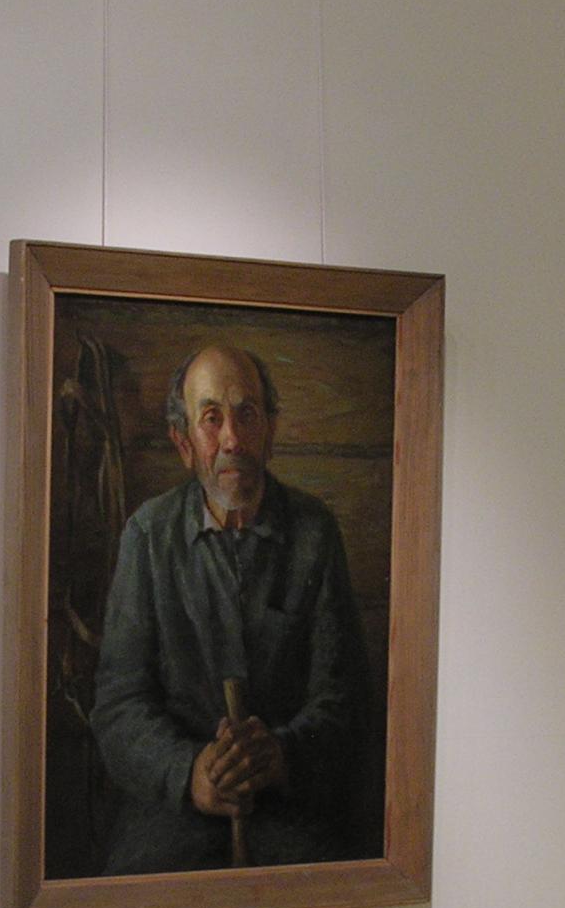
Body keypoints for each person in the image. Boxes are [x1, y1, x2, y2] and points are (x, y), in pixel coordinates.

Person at [88, 342, 369, 874]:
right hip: (173, 811)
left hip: (288, 807)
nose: (233, 440)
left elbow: (344, 697)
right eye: (212, 419)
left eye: (247, 415)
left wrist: (280, 756)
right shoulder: (148, 535)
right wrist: (191, 772)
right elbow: (119, 705)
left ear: (271, 431)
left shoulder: (313, 533)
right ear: (183, 443)